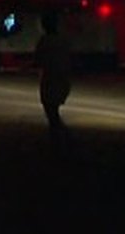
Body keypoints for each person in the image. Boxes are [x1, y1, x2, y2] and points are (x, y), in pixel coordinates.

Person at [34, 9, 72, 146]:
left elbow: (38, 60)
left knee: (51, 113)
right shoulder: (63, 40)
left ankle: (61, 139)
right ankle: (60, 139)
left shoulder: (45, 41)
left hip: (50, 80)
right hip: (62, 79)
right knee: (53, 112)